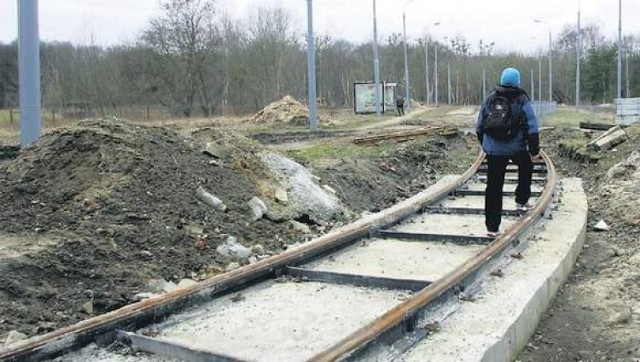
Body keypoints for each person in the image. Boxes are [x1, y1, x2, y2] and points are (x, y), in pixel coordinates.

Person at [476, 67, 540, 237]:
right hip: (516, 148)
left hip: (494, 151)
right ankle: (521, 200)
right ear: (517, 81)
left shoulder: (490, 97)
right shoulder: (521, 99)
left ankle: (492, 228)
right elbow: (531, 126)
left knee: (494, 187)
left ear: (502, 80)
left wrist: (485, 146)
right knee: (526, 166)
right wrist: (534, 150)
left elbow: (480, 125)